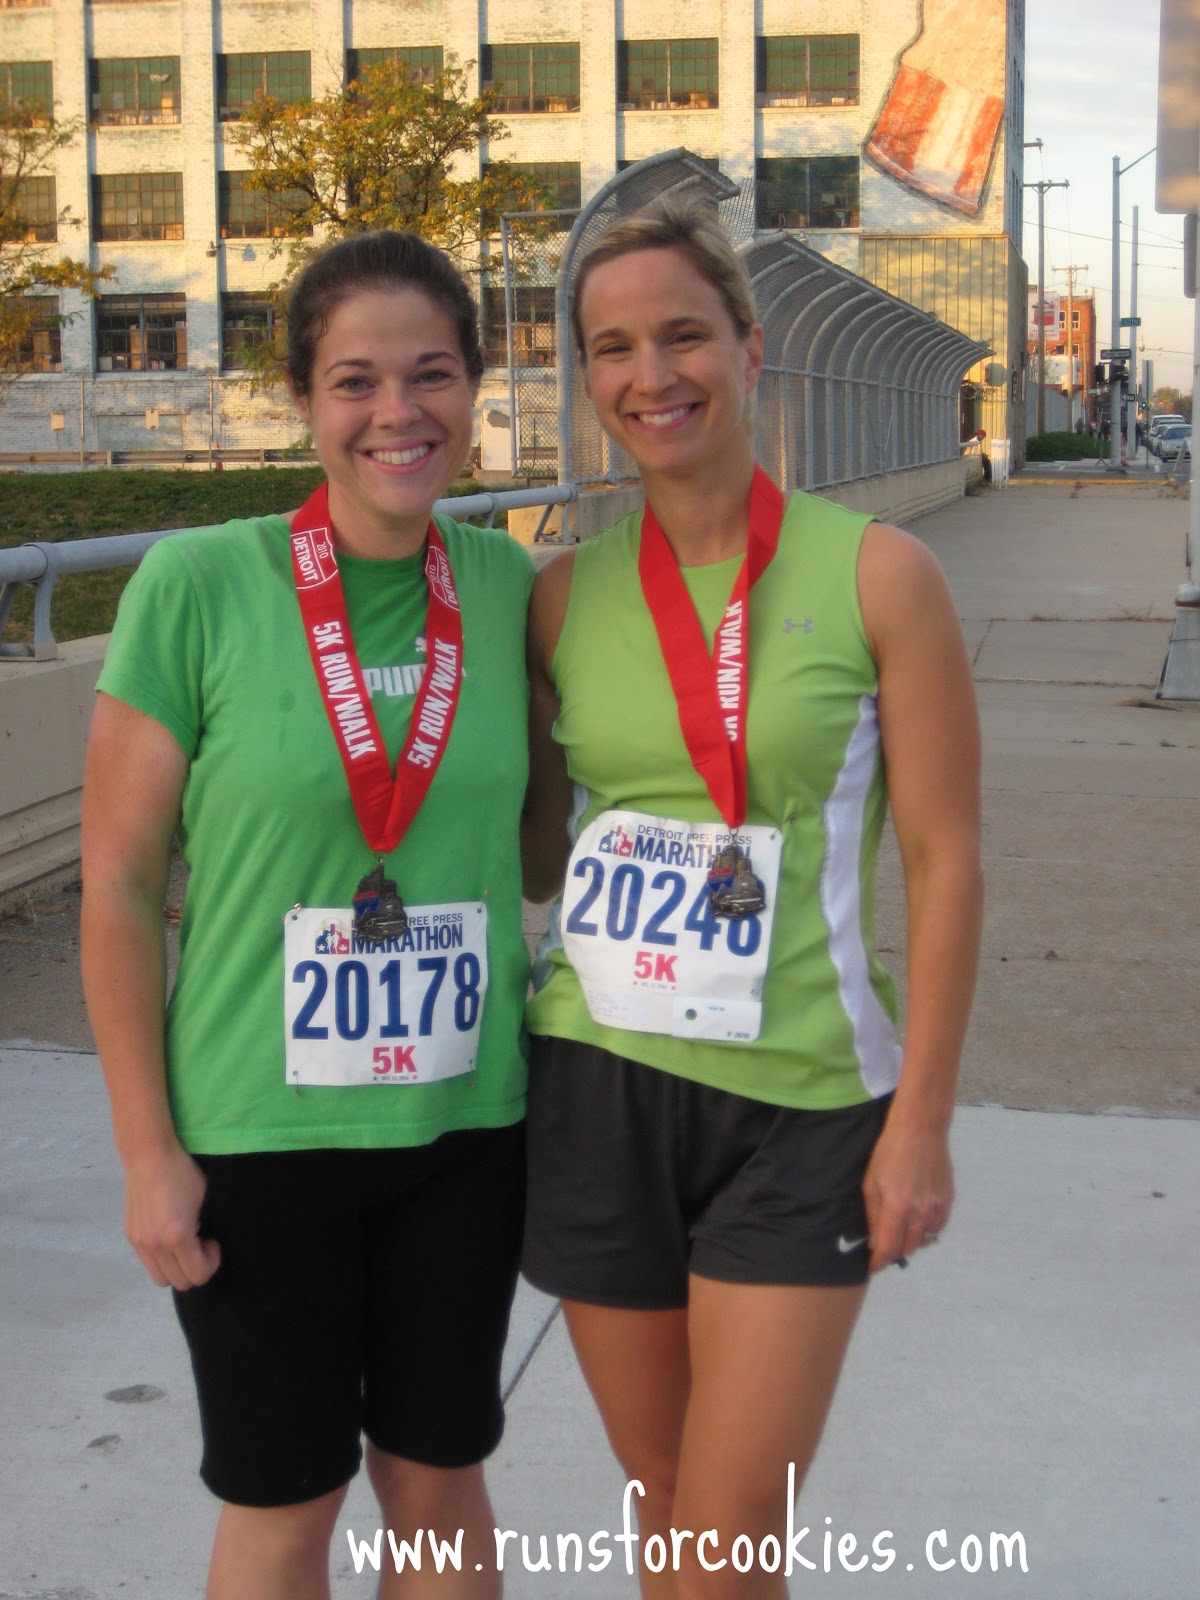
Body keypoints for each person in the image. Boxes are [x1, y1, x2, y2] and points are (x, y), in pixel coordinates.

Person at [521, 199, 982, 1599]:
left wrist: (922, 1123)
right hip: (599, 1084)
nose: (651, 375)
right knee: (668, 1510)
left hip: (802, 1099)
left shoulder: (880, 574)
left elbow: (947, 860)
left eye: (683, 335)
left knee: (727, 1543)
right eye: (613, 348)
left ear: (752, 345)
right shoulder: (560, 598)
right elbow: (535, 853)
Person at [81, 231, 534, 1600]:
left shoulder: (510, 588)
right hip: (256, 1134)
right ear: (301, 400)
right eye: (355, 380)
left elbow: (554, 834)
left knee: (439, 1483)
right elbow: (117, 880)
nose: (399, 411)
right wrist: (146, 1151)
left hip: (462, 1127)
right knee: (286, 1500)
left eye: (432, 373)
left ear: (475, 387)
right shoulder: (199, 585)